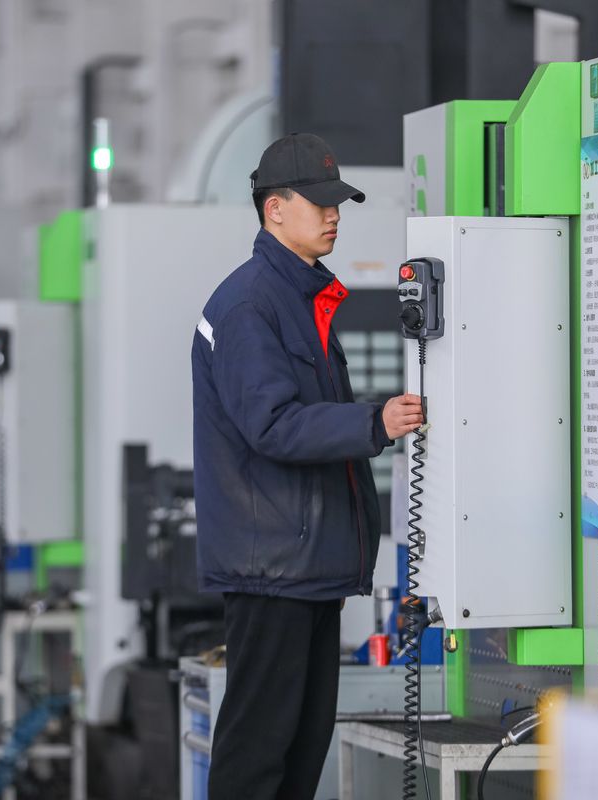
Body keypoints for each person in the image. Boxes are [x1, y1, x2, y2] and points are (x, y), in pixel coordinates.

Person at [192, 133, 425, 799]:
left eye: (338, 203)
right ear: (274, 210)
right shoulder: (249, 306)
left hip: (307, 566)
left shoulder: (300, 300)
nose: (334, 215)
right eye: (319, 202)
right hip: (272, 569)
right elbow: (270, 424)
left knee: (300, 749)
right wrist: (373, 423)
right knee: (259, 753)